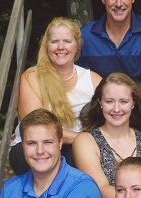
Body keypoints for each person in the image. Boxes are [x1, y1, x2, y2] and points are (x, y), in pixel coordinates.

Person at [76, 0, 141, 162]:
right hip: (103, 110)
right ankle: (95, 175)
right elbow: (74, 77)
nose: (118, 3)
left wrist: (128, 105)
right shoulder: (85, 36)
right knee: (84, 110)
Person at [9, 17, 102, 175]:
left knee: (82, 159)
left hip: (75, 146)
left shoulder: (92, 79)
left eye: (67, 41)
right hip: (37, 146)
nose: (60, 47)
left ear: (77, 46)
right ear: (46, 46)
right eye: (54, 42)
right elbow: (35, 127)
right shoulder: (32, 77)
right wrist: (83, 140)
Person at [0, 109, 103, 198]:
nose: (40, 151)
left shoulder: (82, 188)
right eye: (31, 143)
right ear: (22, 146)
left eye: (48, 142)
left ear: (60, 143)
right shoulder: (10, 190)